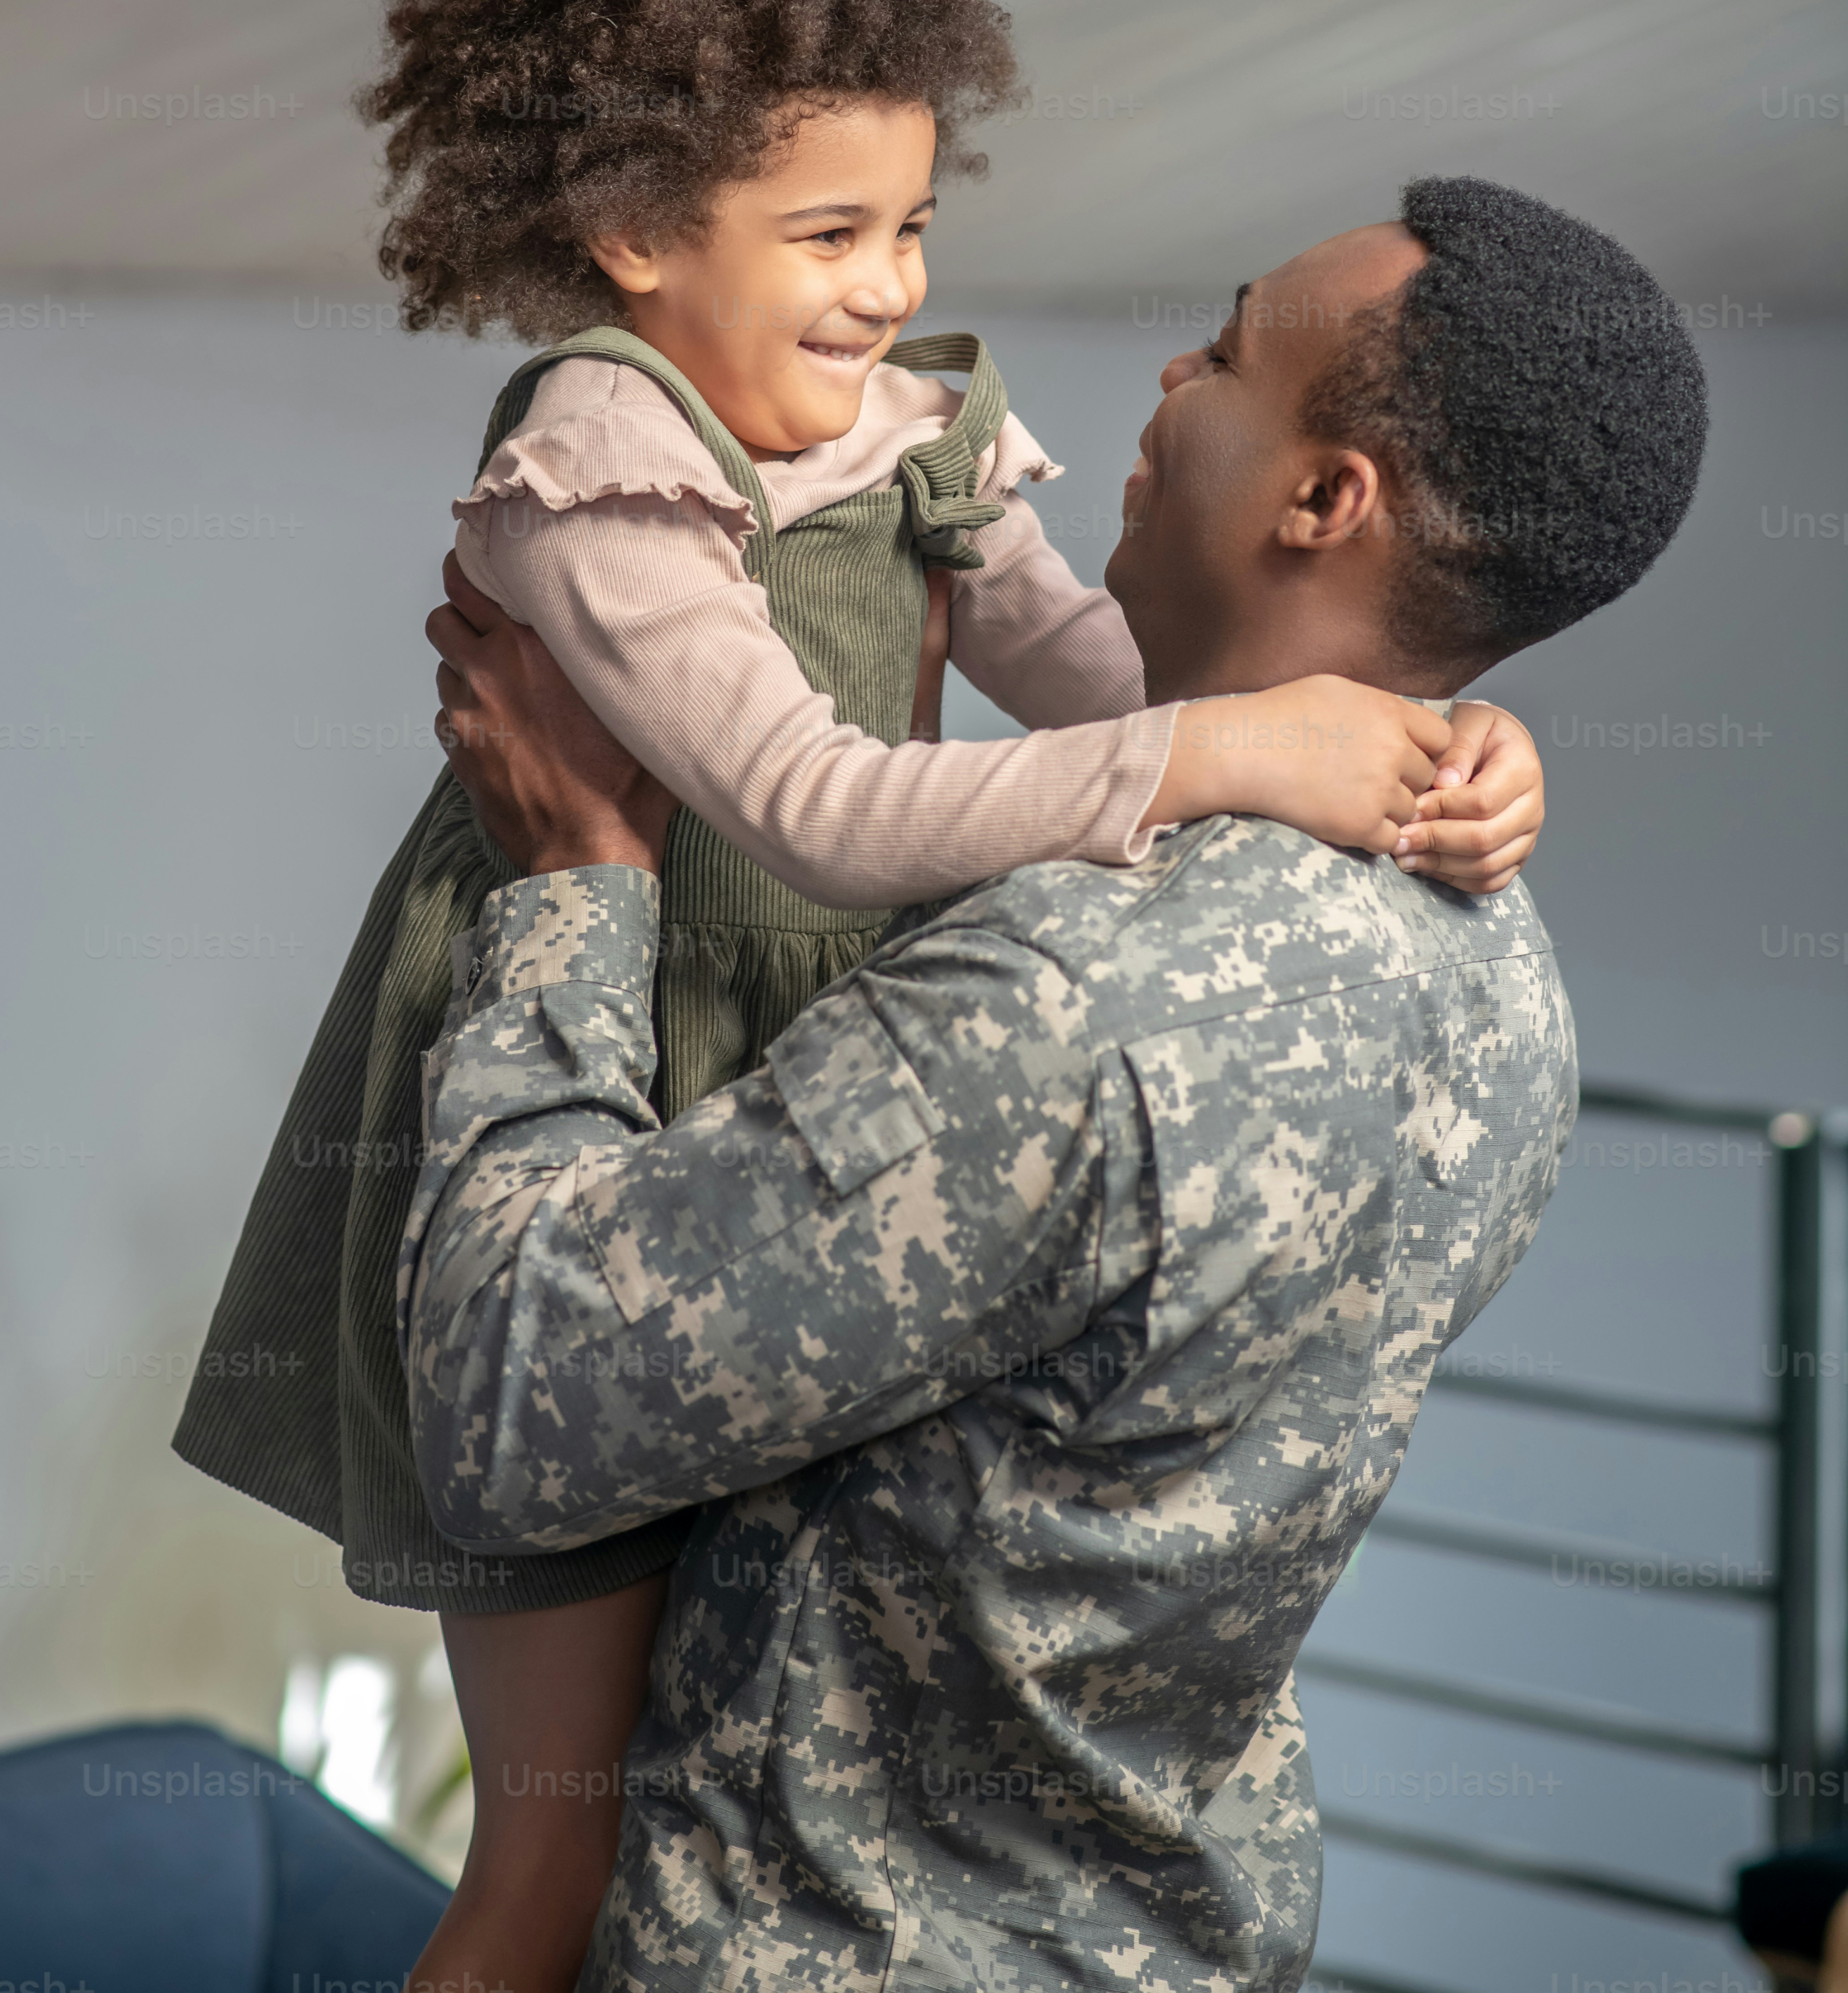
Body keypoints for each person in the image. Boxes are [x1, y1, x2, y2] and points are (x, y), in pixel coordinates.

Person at [172, 0, 1543, 1993]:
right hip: (606, 1037)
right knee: (548, 1867)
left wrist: (1422, 748)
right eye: (830, 237)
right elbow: (813, 802)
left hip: (781, 1077)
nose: (891, 286)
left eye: (909, 228)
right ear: (638, 230)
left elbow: (1115, 683)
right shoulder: (601, 468)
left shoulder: (913, 428)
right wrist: (1241, 747)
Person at [404, 174, 1708, 1993]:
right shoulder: (1499, 964)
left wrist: (574, 886)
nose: (1173, 376)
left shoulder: (1064, 1005)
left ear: (1325, 500)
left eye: (1228, 357)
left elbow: (506, 1404)